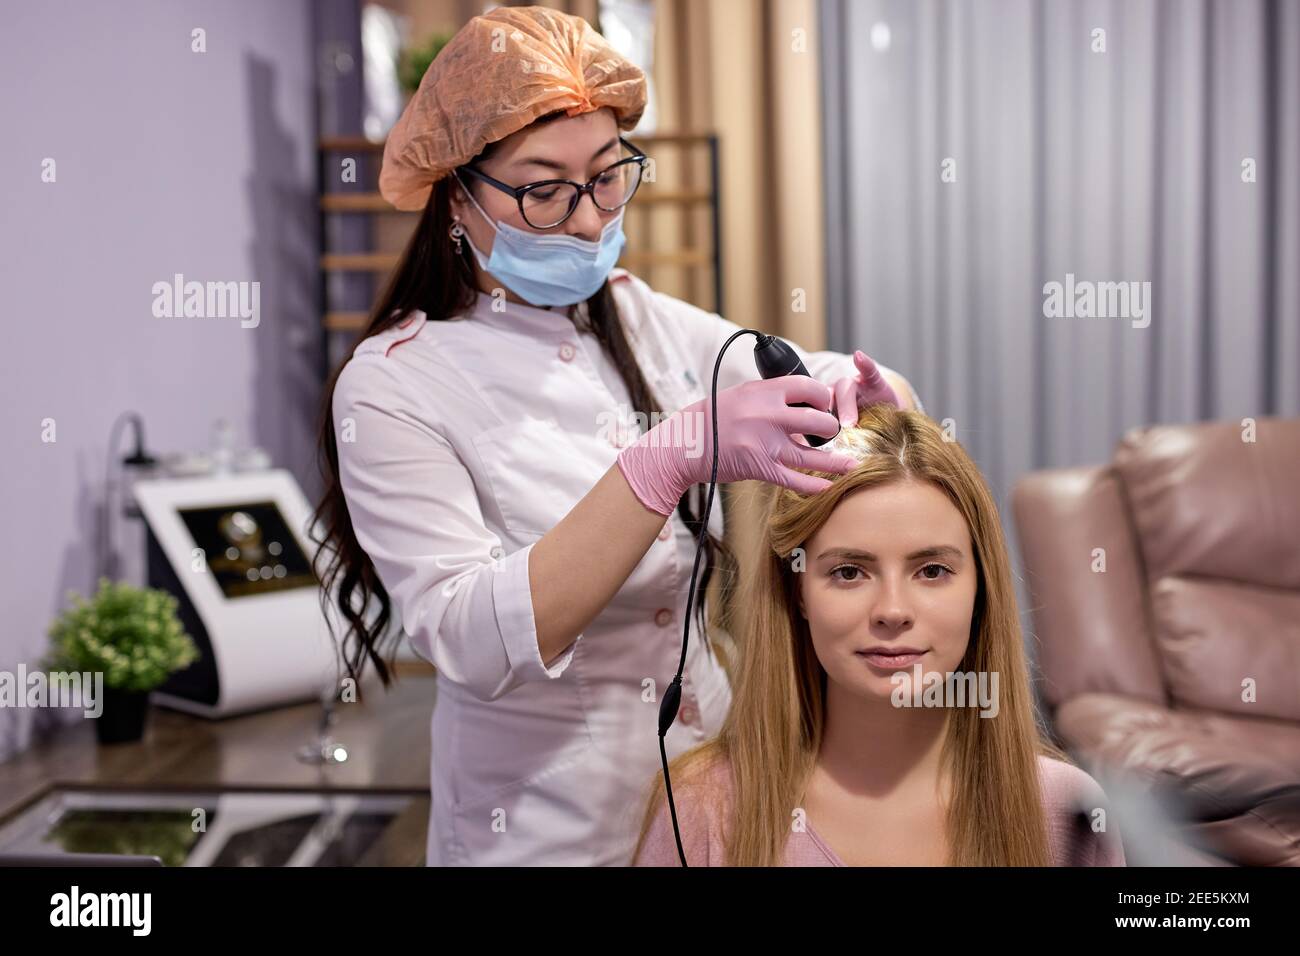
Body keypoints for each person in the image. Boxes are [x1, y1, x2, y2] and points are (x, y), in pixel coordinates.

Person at [312, 6, 920, 866]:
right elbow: (468, 638)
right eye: (543, 188)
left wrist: (861, 390)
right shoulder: (394, 382)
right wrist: (663, 462)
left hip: (707, 800)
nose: (591, 220)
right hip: (541, 829)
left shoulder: (633, 313)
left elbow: (789, 371)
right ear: (458, 195)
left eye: (607, 177)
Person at [633, 404, 1126, 866]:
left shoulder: (1066, 810)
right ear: (798, 591)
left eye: (932, 570)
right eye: (849, 572)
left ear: (981, 587)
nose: (892, 611)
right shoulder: (702, 810)